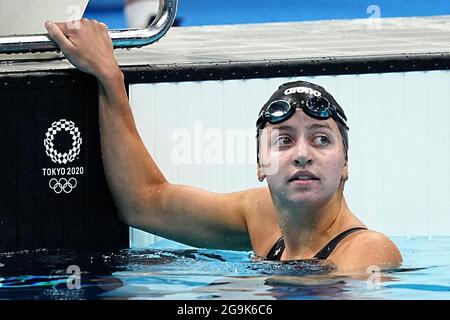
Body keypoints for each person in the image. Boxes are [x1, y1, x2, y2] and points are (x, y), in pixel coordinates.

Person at [44, 19, 402, 273]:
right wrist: (110, 76)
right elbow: (144, 202)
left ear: (346, 165)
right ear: (261, 165)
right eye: (284, 140)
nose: (303, 153)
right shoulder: (263, 214)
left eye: (321, 139)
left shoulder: (368, 250)